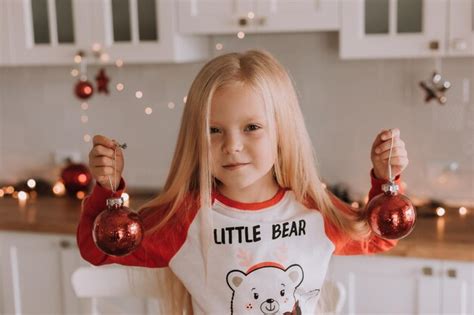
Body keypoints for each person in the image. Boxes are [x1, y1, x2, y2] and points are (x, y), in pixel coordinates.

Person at [77, 50, 409, 315]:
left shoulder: (312, 209)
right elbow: (96, 249)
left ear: (282, 132)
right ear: (196, 138)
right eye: (214, 129)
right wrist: (108, 191)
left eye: (251, 127)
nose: (232, 145)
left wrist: (386, 181)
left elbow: (380, 237)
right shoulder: (185, 218)